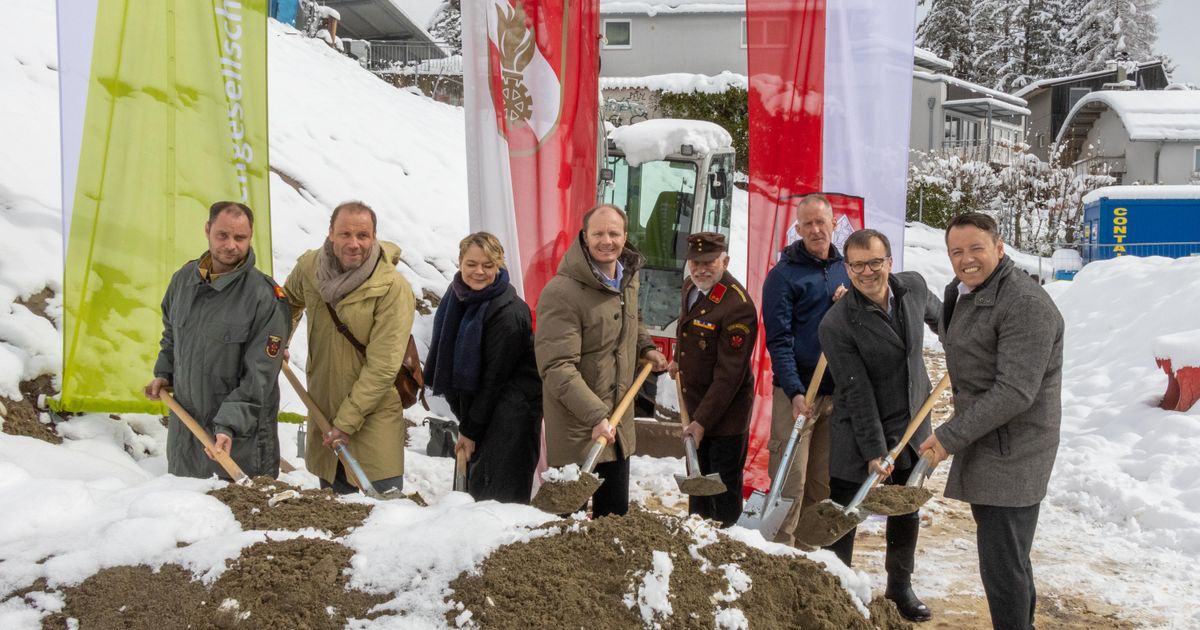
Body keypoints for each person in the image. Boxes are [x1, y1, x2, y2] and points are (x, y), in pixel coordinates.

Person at [918, 212, 1064, 630]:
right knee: (1008, 558)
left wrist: (948, 437)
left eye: (976, 248)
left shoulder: (1024, 304)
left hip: (1016, 448)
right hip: (990, 440)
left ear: (999, 249)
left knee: (1003, 565)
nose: (966, 258)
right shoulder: (968, 291)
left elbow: (1016, 391)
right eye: (956, 251)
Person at [817, 229, 942, 622]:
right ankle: (835, 589)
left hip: (913, 423)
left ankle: (900, 587)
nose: (867, 272)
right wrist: (873, 451)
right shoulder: (837, 324)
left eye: (875, 262)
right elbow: (856, 391)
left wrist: (967, 350)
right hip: (861, 433)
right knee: (846, 512)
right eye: (857, 265)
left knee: (905, 509)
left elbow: (946, 321)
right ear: (846, 269)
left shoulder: (913, 288)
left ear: (889, 261)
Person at [536, 204, 669, 518]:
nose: (606, 240)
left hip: (617, 427)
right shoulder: (562, 292)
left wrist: (646, 347)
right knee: (569, 528)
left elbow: (630, 320)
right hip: (578, 431)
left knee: (613, 523)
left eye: (614, 233)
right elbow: (557, 367)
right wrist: (596, 415)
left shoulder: (626, 280)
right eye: (598, 233)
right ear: (584, 237)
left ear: (625, 236)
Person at [145, 201, 290, 479]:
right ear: (208, 230)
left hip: (239, 445)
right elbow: (172, 334)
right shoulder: (183, 281)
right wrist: (164, 373)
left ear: (250, 237)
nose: (231, 245)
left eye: (240, 238)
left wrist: (227, 426)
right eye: (222, 235)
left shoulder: (265, 297)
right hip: (186, 439)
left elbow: (259, 378)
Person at [284, 201, 415, 495]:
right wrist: (281, 340)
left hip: (372, 421)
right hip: (324, 413)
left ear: (374, 237)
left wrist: (345, 424)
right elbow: (287, 301)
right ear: (331, 233)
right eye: (345, 234)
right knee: (336, 524)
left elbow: (382, 368)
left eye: (363, 236)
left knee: (380, 521)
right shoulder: (310, 268)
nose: (353, 244)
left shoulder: (392, 288)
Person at [424, 232, 541, 503]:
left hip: (510, 422)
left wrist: (470, 431)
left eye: (488, 266)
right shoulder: (457, 299)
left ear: (499, 265)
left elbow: (493, 381)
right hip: (480, 414)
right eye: (471, 264)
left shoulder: (509, 312)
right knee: (474, 495)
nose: (479, 272)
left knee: (497, 501)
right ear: (460, 263)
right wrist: (469, 425)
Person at [760, 194, 849, 546]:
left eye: (821, 222)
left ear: (833, 224)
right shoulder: (783, 276)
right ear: (797, 229)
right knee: (789, 484)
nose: (815, 229)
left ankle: (811, 560)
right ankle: (780, 560)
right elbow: (779, 340)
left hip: (835, 395)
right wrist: (796, 392)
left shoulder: (846, 269)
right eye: (807, 224)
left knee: (821, 486)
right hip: (797, 396)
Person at [667, 232, 758, 527]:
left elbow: (729, 375)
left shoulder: (737, 306)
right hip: (696, 409)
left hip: (724, 417)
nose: (701, 269)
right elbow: (690, 329)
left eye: (709, 262)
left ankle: (725, 554)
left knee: (722, 494)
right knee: (698, 487)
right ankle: (696, 548)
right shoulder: (691, 287)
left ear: (725, 261)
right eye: (695, 262)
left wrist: (701, 422)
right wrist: (678, 359)